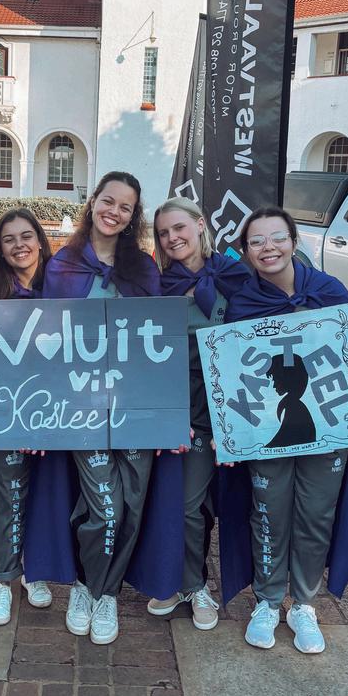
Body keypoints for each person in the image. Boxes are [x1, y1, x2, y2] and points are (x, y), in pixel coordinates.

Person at [224, 205, 348, 654]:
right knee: (269, 512)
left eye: (277, 237)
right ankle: (268, 600)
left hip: (326, 423)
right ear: (246, 251)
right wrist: (230, 428)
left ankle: (304, 605)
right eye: (257, 241)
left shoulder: (330, 291)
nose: (268, 248)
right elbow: (233, 372)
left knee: (316, 514)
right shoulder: (244, 303)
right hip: (266, 429)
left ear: (294, 242)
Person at [43, 171, 161, 645]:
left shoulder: (145, 268)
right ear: (93, 202)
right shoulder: (62, 266)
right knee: (105, 506)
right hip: (82, 409)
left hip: (136, 408)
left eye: (125, 207)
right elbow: (44, 337)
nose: (114, 212)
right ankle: (85, 584)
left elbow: (159, 341)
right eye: (108, 201)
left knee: (132, 505)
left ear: (133, 217)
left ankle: (107, 593)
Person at [136, 196, 252, 629]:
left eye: (179, 228)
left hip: (223, 411)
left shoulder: (235, 276)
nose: (172, 238)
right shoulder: (156, 284)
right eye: (163, 233)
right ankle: (177, 580)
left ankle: (196, 584)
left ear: (201, 225)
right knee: (168, 502)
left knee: (196, 504)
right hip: (172, 409)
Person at [0, 207, 74, 625]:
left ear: (40, 240)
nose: (19, 245)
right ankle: (4, 578)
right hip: (7, 412)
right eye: (9, 238)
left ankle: (36, 570)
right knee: (8, 494)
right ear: (0, 247)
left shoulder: (63, 284)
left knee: (47, 495)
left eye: (26, 236)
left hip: (58, 413)